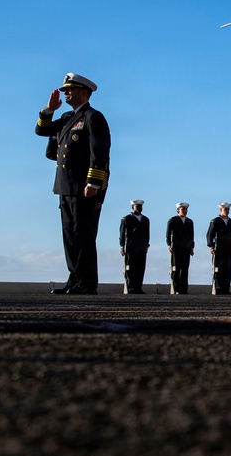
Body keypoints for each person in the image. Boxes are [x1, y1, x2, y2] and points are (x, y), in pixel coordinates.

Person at [35, 73, 110, 295]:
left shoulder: (93, 117)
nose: (66, 92)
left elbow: (100, 153)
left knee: (84, 235)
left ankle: (87, 282)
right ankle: (74, 279)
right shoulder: (68, 117)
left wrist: (94, 183)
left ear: (84, 93)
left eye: (70, 89)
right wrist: (49, 111)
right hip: (64, 186)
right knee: (69, 236)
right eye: (65, 89)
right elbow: (41, 130)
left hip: (83, 187)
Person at [119, 200, 150, 294]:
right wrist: (122, 246)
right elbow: (122, 234)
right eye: (137, 206)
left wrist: (146, 245)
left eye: (140, 206)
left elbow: (147, 234)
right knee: (130, 267)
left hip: (142, 246)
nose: (139, 208)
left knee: (141, 267)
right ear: (133, 207)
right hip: (131, 246)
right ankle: (131, 287)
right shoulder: (126, 219)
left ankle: (138, 287)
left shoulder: (145, 219)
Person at [207, 202, 231, 295]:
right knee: (218, 269)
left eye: (228, 209)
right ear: (220, 210)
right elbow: (209, 235)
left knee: (227, 270)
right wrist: (211, 246)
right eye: (225, 209)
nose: (227, 211)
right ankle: (218, 288)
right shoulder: (215, 221)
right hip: (218, 249)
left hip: (227, 249)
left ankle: (226, 288)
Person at [166, 202, 194, 294]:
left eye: (186, 209)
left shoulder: (189, 222)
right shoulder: (173, 220)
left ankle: (184, 289)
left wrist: (191, 247)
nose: (185, 211)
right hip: (176, 248)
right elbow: (168, 234)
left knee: (185, 269)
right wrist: (169, 244)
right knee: (176, 269)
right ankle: (177, 288)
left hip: (186, 248)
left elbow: (191, 236)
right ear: (178, 210)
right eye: (183, 209)